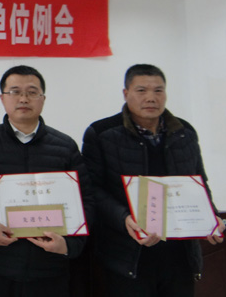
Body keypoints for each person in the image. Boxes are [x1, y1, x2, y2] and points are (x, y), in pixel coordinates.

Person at [82, 64, 225, 296]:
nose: (151, 97)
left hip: (180, 253)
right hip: (128, 254)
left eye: (158, 90)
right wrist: (123, 218)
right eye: (141, 90)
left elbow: (199, 182)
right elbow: (92, 189)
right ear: (126, 93)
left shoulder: (184, 132)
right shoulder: (102, 133)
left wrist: (211, 217)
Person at [0, 65, 93, 297]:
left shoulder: (65, 146)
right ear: (2, 98)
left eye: (32, 92)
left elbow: (86, 199)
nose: (24, 99)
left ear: (43, 99)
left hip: (50, 268)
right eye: (15, 91)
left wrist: (69, 246)